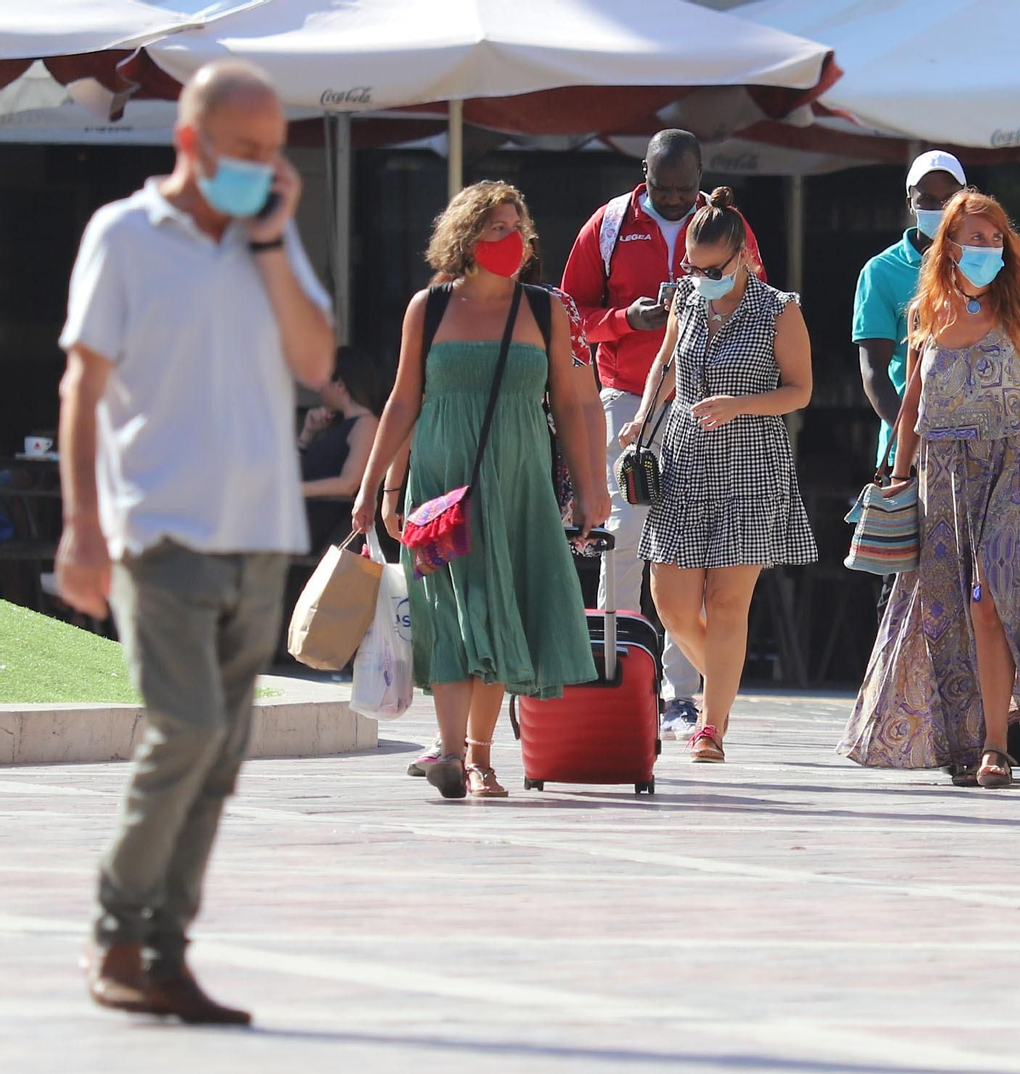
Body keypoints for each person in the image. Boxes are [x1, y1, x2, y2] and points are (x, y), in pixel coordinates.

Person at [56, 61, 335, 1023]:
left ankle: (164, 954)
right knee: (186, 731)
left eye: (276, 153)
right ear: (191, 142)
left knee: (220, 757)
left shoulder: (268, 241)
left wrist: (269, 238)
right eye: (247, 151)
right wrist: (81, 529)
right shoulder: (124, 236)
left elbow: (314, 361)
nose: (266, 166)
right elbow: (81, 389)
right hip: (160, 530)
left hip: (258, 534)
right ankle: (115, 933)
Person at [839, 190, 1020, 788]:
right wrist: (899, 475)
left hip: (1014, 464)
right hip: (942, 472)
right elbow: (910, 404)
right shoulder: (925, 313)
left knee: (990, 600)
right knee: (947, 610)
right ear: (949, 246)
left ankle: (994, 745)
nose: (986, 248)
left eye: (996, 238)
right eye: (974, 238)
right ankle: (966, 738)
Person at [353, 180, 608, 799]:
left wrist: (592, 490)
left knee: (498, 609)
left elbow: (574, 405)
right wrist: (377, 488)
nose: (510, 238)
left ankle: (479, 757)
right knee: (450, 611)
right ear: (465, 237)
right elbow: (403, 400)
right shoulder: (430, 307)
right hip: (441, 484)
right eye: (495, 227)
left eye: (517, 226)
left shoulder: (548, 308)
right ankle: (448, 748)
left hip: (517, 481)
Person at [562, 129, 766, 739]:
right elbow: (570, 315)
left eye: (686, 189)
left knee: (693, 546)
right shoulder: (608, 224)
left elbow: (759, 304)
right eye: (663, 188)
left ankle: (683, 694)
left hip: (705, 406)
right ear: (642, 175)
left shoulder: (727, 223)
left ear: (701, 175)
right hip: (628, 398)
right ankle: (616, 671)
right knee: (623, 536)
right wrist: (631, 319)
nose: (677, 201)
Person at [618, 188, 816, 763]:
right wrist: (641, 418)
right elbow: (665, 364)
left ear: (743, 257)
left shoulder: (780, 308)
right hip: (682, 456)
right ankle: (725, 684)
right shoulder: (685, 297)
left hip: (752, 464)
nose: (700, 277)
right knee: (671, 602)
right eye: (692, 267)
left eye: (712, 268)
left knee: (728, 603)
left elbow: (800, 391)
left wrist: (739, 403)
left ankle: (712, 724)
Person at [853, 149, 966, 614]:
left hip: (976, 444)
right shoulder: (882, 271)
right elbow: (874, 372)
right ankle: (889, 685)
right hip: (910, 449)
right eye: (927, 199)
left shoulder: (986, 263)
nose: (936, 209)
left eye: (948, 199)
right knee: (902, 584)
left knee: (970, 580)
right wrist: (907, 434)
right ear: (909, 200)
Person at [300, 344, 381, 543]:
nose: (319, 388)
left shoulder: (366, 423)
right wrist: (307, 434)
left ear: (340, 385)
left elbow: (349, 483)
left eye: (324, 380)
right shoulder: (333, 426)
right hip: (304, 522)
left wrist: (295, 490)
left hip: (329, 530)